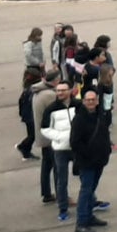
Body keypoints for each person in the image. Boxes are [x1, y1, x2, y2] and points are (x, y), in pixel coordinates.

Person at [70, 89, 113, 232]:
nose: (90, 102)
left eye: (93, 100)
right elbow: (75, 143)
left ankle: (89, 217)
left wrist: (106, 150)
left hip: (99, 161)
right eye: (88, 100)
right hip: (87, 162)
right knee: (86, 191)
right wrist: (89, 155)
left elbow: (104, 134)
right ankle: (81, 223)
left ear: (97, 101)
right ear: (83, 102)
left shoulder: (100, 115)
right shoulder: (79, 119)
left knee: (91, 190)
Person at [41, 82, 78, 222]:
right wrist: (60, 137)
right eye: (58, 91)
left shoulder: (78, 105)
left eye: (63, 90)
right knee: (61, 180)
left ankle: (91, 201)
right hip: (60, 149)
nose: (60, 93)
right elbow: (44, 128)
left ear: (70, 91)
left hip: (77, 148)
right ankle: (63, 208)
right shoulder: (51, 109)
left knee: (84, 176)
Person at [31, 67, 62, 204]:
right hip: (50, 137)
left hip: (42, 135)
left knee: (46, 165)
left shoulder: (39, 92)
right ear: (55, 80)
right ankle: (61, 194)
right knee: (57, 167)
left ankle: (46, 193)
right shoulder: (49, 95)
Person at [16, 67, 42, 161]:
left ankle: (25, 150)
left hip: (27, 115)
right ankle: (23, 147)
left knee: (32, 134)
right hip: (30, 115)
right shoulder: (32, 89)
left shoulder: (27, 86)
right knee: (33, 134)